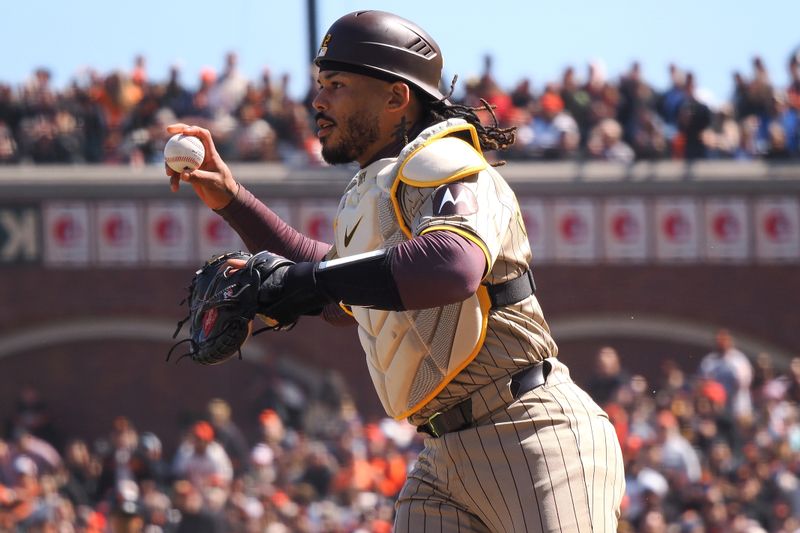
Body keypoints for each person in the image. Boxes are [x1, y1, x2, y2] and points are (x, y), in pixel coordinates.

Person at [166, 10, 624, 531]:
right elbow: (342, 289)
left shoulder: (446, 161)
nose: (318, 100)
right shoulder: (379, 189)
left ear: (395, 97)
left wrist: (305, 281)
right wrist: (233, 200)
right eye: (320, 85)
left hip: (532, 432)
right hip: (442, 459)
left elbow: (452, 265)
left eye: (336, 85)